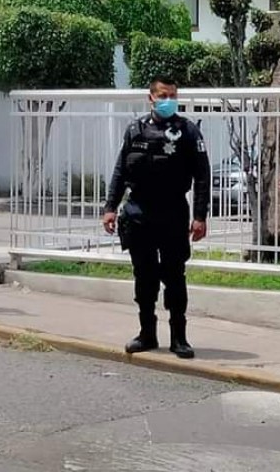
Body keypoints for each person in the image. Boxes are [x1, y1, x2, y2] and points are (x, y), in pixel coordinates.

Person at [103, 76, 210, 358]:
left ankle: (179, 337)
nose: (168, 100)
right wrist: (110, 208)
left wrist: (200, 216)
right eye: (163, 95)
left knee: (175, 276)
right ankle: (147, 333)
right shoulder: (135, 130)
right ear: (150, 98)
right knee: (144, 277)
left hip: (173, 213)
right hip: (139, 213)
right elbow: (120, 172)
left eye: (173, 95)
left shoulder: (187, 131)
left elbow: (202, 176)